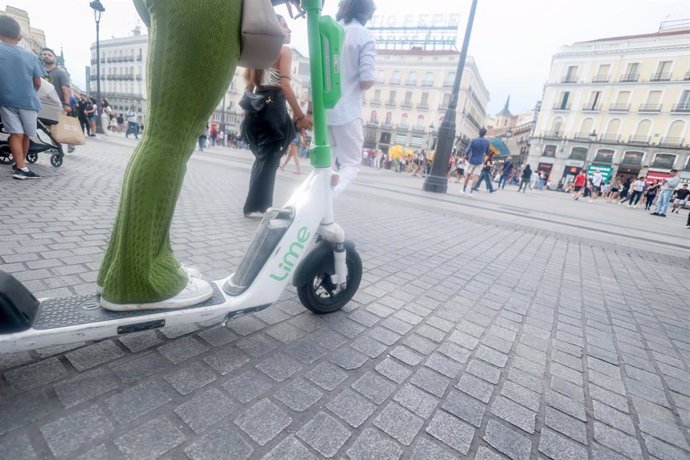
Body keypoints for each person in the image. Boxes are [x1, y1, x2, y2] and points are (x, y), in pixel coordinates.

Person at [241, 15, 313, 218]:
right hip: (274, 105)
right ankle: (259, 207)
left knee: (264, 158)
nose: (289, 30)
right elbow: (285, 85)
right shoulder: (284, 50)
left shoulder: (261, 51)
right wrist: (300, 116)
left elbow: (252, 84)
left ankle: (257, 205)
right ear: (274, 29)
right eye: (285, 26)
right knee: (270, 159)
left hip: (260, 105)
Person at [325, 0, 376, 198]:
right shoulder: (364, 35)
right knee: (351, 164)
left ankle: (322, 214)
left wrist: (311, 110)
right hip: (348, 111)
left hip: (326, 110)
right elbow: (366, 80)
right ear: (366, 13)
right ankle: (325, 204)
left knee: (324, 165)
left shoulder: (330, 31)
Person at [0, 14, 45, 179]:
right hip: (28, 100)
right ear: (18, 36)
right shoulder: (31, 56)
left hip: (5, 100)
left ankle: (20, 166)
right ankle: (20, 166)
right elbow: (38, 83)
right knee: (26, 134)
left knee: (15, 133)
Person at [41, 47, 74, 151]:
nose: (46, 56)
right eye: (44, 54)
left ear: (54, 58)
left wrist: (67, 104)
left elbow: (65, 89)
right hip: (46, 103)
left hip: (59, 104)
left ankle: (60, 146)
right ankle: (58, 145)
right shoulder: (42, 72)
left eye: (49, 55)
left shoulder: (60, 72)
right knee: (50, 127)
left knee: (56, 126)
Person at [461, 127, 491, 196]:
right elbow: (487, 152)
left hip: (471, 159)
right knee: (476, 176)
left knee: (468, 175)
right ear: (485, 133)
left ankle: (463, 189)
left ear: (479, 132)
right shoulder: (487, 141)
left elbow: (467, 151)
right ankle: (471, 192)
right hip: (480, 161)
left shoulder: (473, 140)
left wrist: (464, 158)